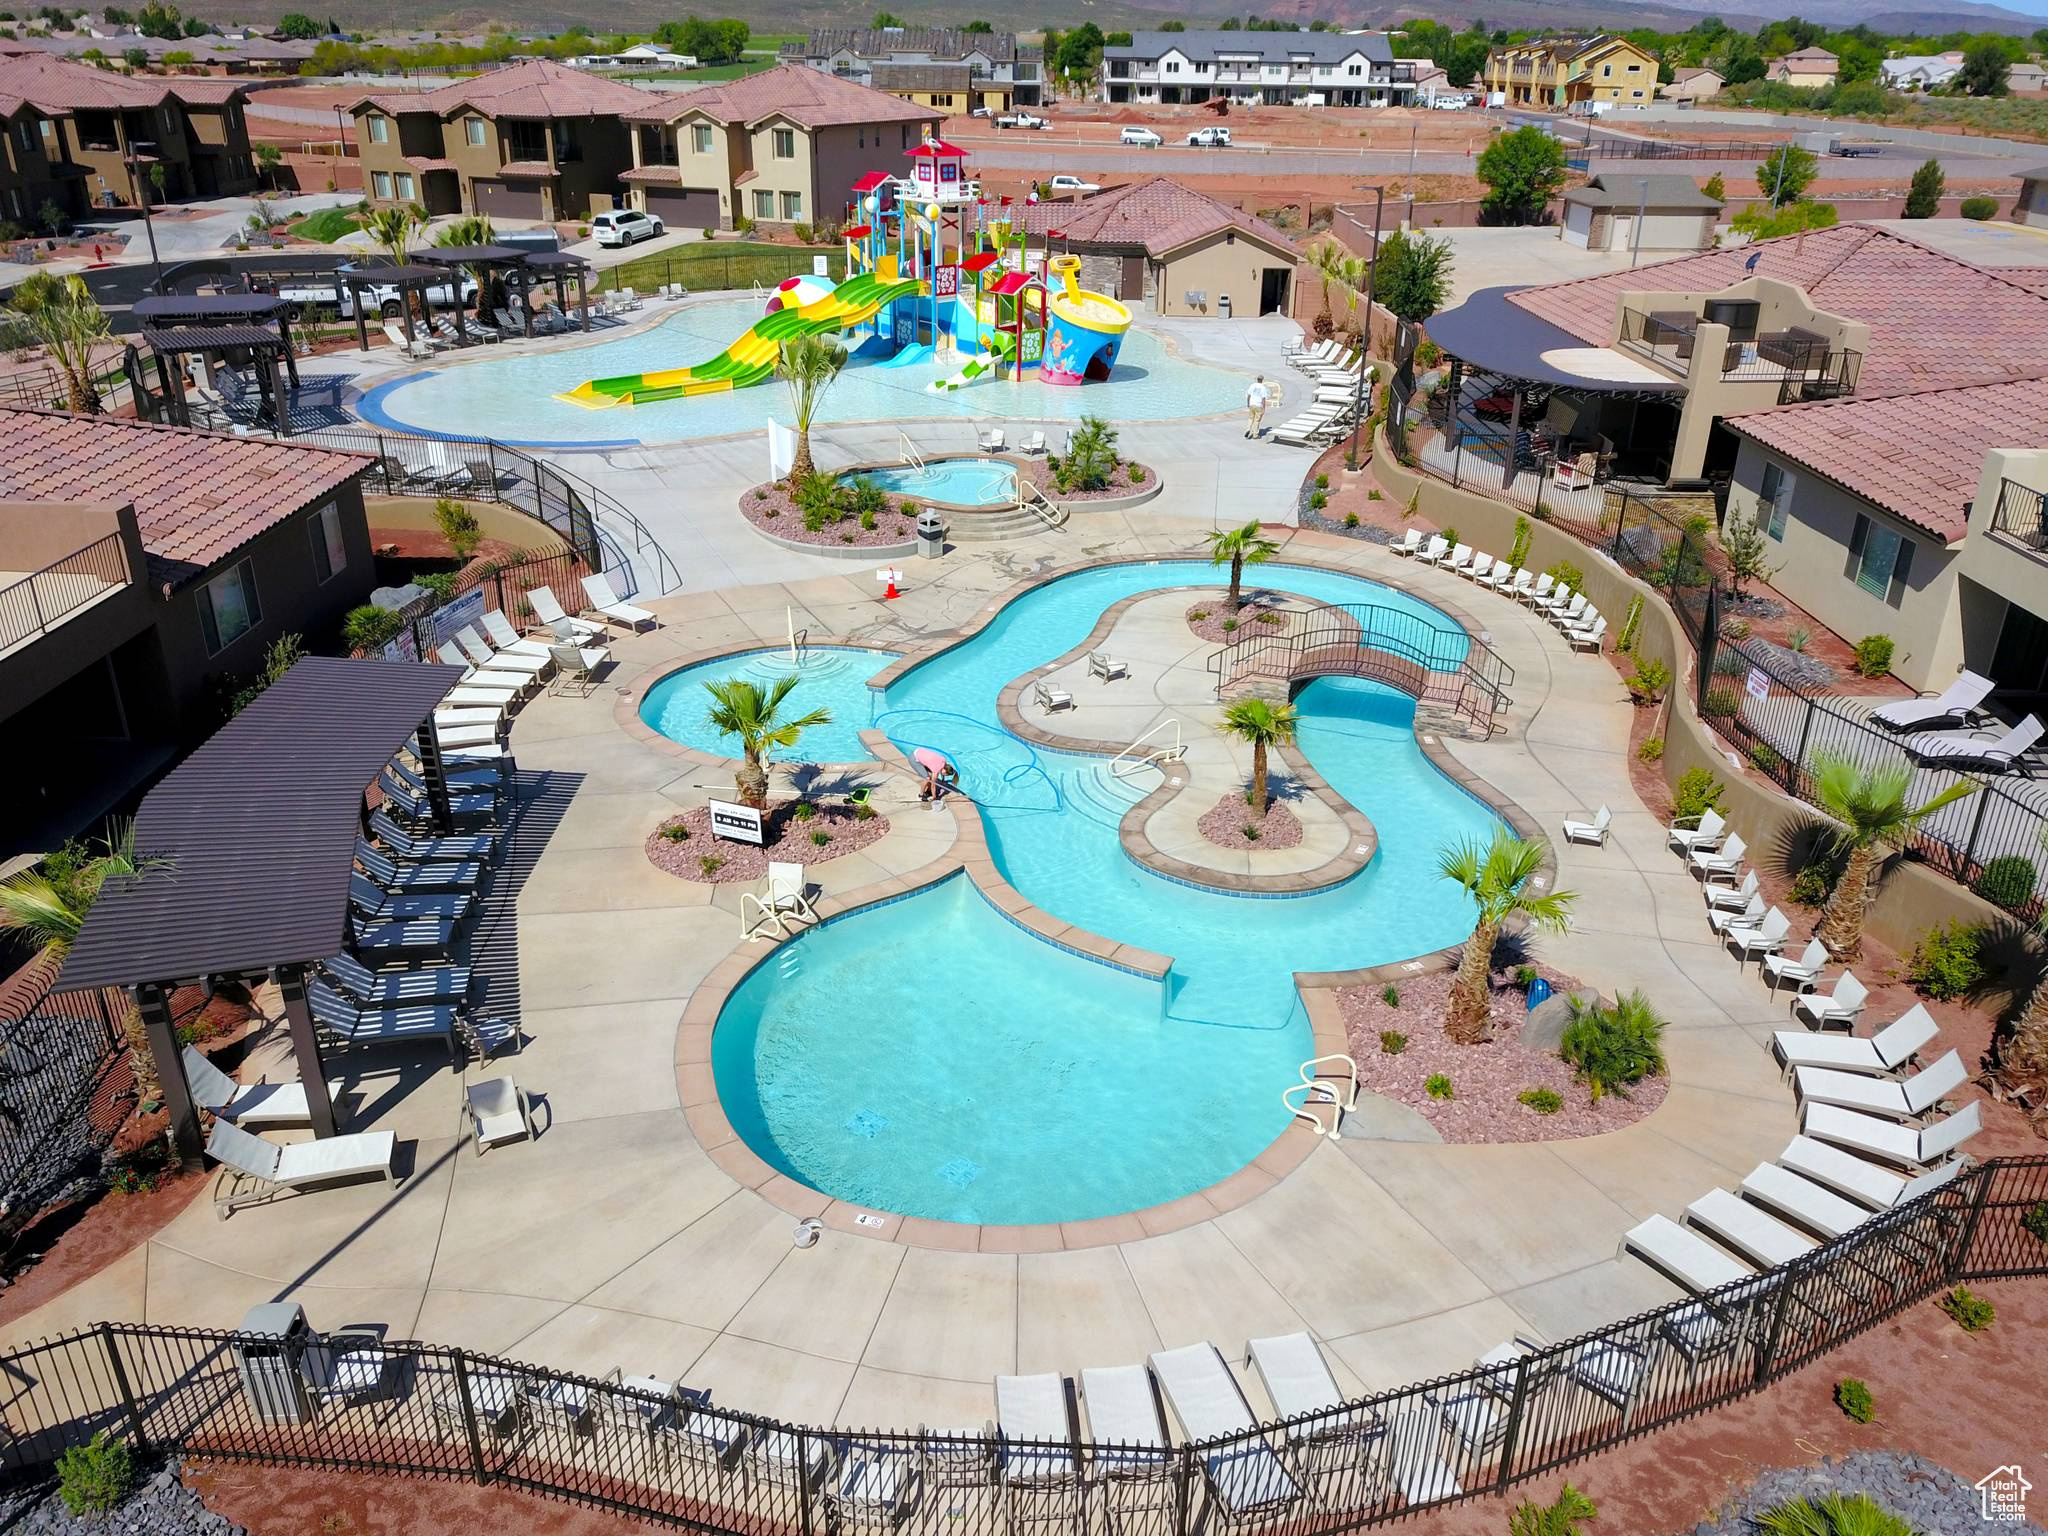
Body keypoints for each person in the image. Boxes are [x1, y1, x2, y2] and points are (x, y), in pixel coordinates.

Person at [1245, 374, 1269, 439]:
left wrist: (1248, 403)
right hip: (1258, 405)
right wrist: (1264, 408)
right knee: (1257, 420)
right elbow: (1263, 399)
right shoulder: (1263, 388)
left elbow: (1249, 395)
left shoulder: (1252, 385)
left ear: (1257, 379)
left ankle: (1248, 429)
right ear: (1262, 380)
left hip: (1252, 404)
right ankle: (1255, 435)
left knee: (1250, 418)